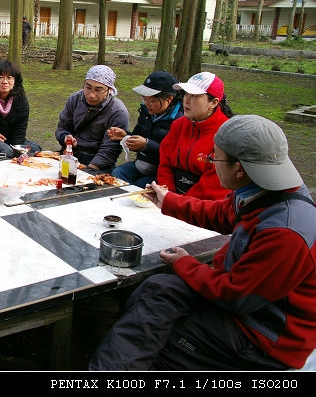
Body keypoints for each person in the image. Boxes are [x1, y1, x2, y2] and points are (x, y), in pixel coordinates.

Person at [88, 115, 316, 371]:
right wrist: (168, 200)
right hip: (241, 299)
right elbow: (222, 214)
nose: (210, 163)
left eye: (214, 158)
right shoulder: (260, 190)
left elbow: (236, 295)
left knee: (164, 339)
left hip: (262, 336)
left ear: (239, 169)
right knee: (157, 289)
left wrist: (186, 263)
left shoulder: (286, 232)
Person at [156, 71, 234, 199]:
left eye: (195, 96)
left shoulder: (226, 134)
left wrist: (178, 203)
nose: (186, 100)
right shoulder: (179, 125)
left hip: (203, 204)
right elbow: (165, 162)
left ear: (213, 102)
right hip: (172, 196)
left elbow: (216, 183)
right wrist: (167, 193)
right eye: (186, 94)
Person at [108, 71, 184, 188]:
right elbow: (139, 135)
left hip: (161, 170)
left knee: (139, 186)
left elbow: (174, 155)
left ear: (169, 98)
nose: (147, 104)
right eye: (145, 99)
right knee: (117, 174)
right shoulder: (146, 113)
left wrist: (146, 145)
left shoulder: (179, 120)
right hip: (141, 164)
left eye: (152, 101)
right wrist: (125, 136)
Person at [54, 64, 129, 174]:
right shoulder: (75, 99)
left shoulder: (118, 112)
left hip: (96, 162)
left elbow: (110, 150)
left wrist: (88, 171)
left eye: (98, 90)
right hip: (70, 155)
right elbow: (62, 127)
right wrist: (65, 137)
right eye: (88, 88)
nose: (91, 95)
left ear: (109, 90)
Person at [0, 60, 41, 159]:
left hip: (11, 139)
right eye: (0, 77)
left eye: (9, 78)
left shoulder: (21, 100)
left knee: (35, 149)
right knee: (5, 151)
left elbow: (20, 128)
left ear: (15, 81)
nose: (5, 82)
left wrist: (17, 149)